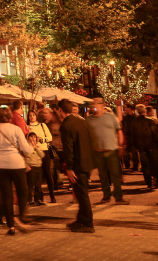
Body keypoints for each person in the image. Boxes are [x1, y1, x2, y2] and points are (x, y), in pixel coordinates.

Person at [0, 107, 33, 236]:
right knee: (22, 191)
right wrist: (32, 145)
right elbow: (26, 149)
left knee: (6, 196)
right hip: (17, 164)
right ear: (10, 117)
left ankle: (11, 226)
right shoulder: (16, 129)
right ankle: (22, 215)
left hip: (0, 165)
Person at [58, 98, 95, 232]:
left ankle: (88, 223)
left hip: (77, 164)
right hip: (87, 161)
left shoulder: (66, 125)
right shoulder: (82, 122)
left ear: (61, 110)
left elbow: (69, 148)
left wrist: (69, 167)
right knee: (81, 193)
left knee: (82, 194)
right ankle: (81, 220)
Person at [85, 97, 127, 205]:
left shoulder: (110, 117)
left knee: (115, 175)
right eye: (92, 103)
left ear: (102, 105)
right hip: (97, 151)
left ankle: (118, 196)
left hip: (111, 150)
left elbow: (119, 131)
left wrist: (121, 145)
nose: (93, 105)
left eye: (96, 103)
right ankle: (106, 195)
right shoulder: (89, 120)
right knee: (102, 175)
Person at [130, 103, 158, 190]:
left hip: (141, 146)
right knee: (155, 162)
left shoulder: (134, 122)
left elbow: (132, 135)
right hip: (151, 145)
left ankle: (149, 182)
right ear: (145, 110)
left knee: (145, 165)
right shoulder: (150, 121)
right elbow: (155, 134)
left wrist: (135, 145)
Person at [29, 109, 56, 203]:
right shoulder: (27, 127)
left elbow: (50, 137)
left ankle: (52, 195)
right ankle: (39, 196)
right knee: (37, 175)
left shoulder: (42, 125)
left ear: (36, 116)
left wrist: (41, 139)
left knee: (47, 173)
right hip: (34, 152)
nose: (32, 117)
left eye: (33, 115)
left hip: (44, 150)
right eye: (30, 115)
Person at [25, 132, 45, 206]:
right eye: (31, 137)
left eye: (34, 137)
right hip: (31, 166)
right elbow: (26, 155)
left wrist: (36, 148)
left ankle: (38, 199)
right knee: (31, 185)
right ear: (28, 138)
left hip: (39, 166)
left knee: (38, 184)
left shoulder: (38, 146)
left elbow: (42, 155)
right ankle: (30, 199)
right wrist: (32, 147)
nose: (33, 139)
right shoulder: (26, 147)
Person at [121, 103, 140, 174]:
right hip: (127, 136)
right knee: (126, 152)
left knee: (134, 152)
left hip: (134, 136)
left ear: (130, 108)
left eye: (126, 107)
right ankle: (127, 165)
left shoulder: (135, 117)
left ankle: (135, 167)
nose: (125, 108)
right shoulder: (125, 117)